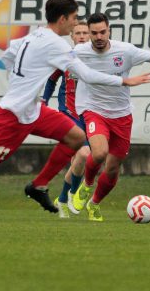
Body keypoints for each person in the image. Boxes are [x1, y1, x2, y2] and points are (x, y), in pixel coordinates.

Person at [0, 0, 150, 235]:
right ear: (62, 18)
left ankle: (39, 185)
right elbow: (87, 75)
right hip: (13, 116)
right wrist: (125, 80)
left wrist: (22, 83)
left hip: (33, 110)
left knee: (76, 137)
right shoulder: (56, 44)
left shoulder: (35, 34)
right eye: (73, 18)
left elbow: (7, 55)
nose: (75, 23)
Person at [71, 13, 150, 221]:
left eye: (102, 32)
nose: (98, 36)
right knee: (99, 153)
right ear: (89, 34)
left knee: (113, 168)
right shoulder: (79, 52)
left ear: (109, 30)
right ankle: (86, 186)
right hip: (93, 109)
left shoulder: (125, 51)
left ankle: (94, 203)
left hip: (121, 114)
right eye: (93, 33)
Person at [40, 20, 90, 217]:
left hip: (90, 114)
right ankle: (71, 196)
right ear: (72, 36)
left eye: (86, 33)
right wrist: (43, 102)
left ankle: (61, 199)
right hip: (68, 114)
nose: (82, 37)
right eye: (78, 33)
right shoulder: (65, 57)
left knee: (82, 160)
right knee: (84, 154)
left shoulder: (97, 58)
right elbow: (51, 80)